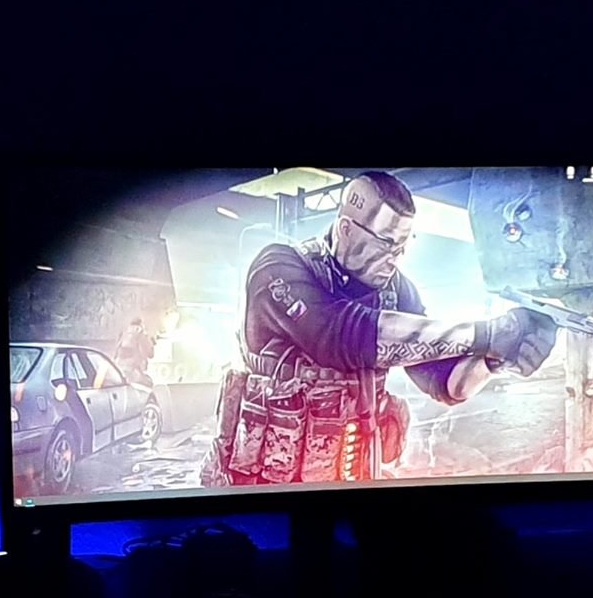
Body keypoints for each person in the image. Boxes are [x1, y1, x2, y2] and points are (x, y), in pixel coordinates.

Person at [205, 171, 556, 487]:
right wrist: (486, 333)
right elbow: (342, 336)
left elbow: (446, 383)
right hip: (264, 489)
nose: (396, 257)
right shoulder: (279, 267)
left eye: (404, 244)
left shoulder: (395, 289)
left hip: (353, 480)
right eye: (387, 243)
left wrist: (493, 360)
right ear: (346, 228)